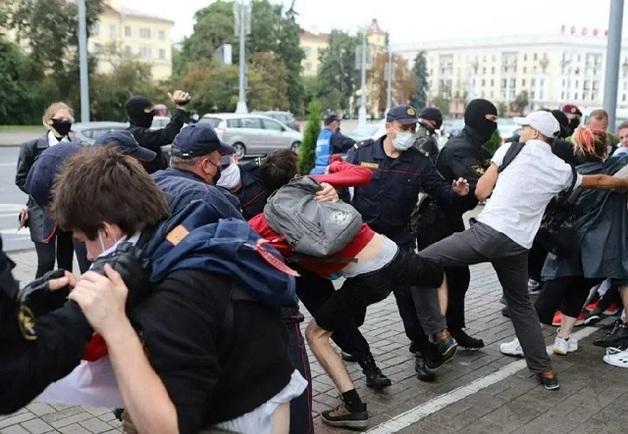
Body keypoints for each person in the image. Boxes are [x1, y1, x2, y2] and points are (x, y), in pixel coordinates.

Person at [50, 146, 304, 433]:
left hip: (235, 417)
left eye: (84, 242)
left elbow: (168, 428)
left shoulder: (177, 293)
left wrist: (115, 325)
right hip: (252, 395)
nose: (91, 256)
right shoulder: (174, 238)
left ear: (107, 230)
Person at [415, 110, 628, 391]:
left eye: (525, 127)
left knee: (420, 262)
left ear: (536, 133)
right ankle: (545, 372)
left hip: (488, 233)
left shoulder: (510, 149)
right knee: (522, 308)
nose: (522, 132)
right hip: (517, 246)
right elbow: (600, 181)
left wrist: (484, 185)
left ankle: (439, 333)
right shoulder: (561, 169)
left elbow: (480, 193)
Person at [248, 159, 451, 429]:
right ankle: (440, 336)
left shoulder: (264, 221)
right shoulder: (315, 184)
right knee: (437, 275)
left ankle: (354, 407)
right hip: (391, 254)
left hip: (365, 279)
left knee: (316, 335)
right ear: (296, 175)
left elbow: (241, 237)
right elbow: (363, 173)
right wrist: (335, 166)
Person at [344, 104, 469, 382]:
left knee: (407, 297)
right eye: (404, 128)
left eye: (413, 128)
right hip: (363, 239)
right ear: (388, 126)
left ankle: (422, 351)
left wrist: (457, 192)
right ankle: (352, 342)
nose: (409, 134)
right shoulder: (362, 153)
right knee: (355, 296)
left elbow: (441, 194)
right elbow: (340, 185)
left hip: (398, 240)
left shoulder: (419, 162)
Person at [500, 128, 628, 357]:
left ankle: (524, 343)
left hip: (569, 243)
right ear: (605, 150)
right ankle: (564, 339)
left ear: (578, 150)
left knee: (550, 293)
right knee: (578, 290)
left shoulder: (572, 175)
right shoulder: (614, 174)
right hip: (599, 250)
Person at [415, 99, 497, 351]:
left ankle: (453, 328)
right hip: (435, 222)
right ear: (477, 118)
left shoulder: (475, 147)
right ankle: (431, 337)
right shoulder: (460, 148)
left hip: (448, 220)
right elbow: (480, 186)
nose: (493, 126)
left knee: (458, 276)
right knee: (439, 279)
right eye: (491, 120)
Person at [15, 102, 79, 278]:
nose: (65, 122)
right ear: (49, 121)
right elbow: (21, 178)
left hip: (67, 211)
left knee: (66, 262)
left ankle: (63, 300)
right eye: (60, 119)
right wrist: (41, 193)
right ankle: (37, 300)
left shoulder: (78, 146)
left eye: (68, 119)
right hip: (40, 211)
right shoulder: (32, 146)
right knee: (46, 262)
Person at [126, 90, 191, 174]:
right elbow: (167, 135)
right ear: (138, 112)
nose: (152, 114)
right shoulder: (137, 135)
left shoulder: (133, 133)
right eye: (149, 109)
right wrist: (180, 108)